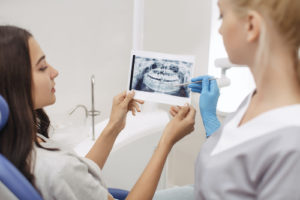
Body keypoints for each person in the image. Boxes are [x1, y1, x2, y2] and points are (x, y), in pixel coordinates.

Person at [0, 25, 196, 200]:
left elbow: (79, 176)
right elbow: (69, 174)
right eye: (42, 67)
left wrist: (114, 125)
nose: (55, 72)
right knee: (195, 192)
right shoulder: (56, 169)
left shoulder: (17, 143)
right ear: (14, 83)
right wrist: (166, 141)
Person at [188, 0, 300, 199]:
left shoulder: (293, 149)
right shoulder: (255, 98)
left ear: (251, 25)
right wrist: (210, 118)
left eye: (222, 16)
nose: (220, 30)